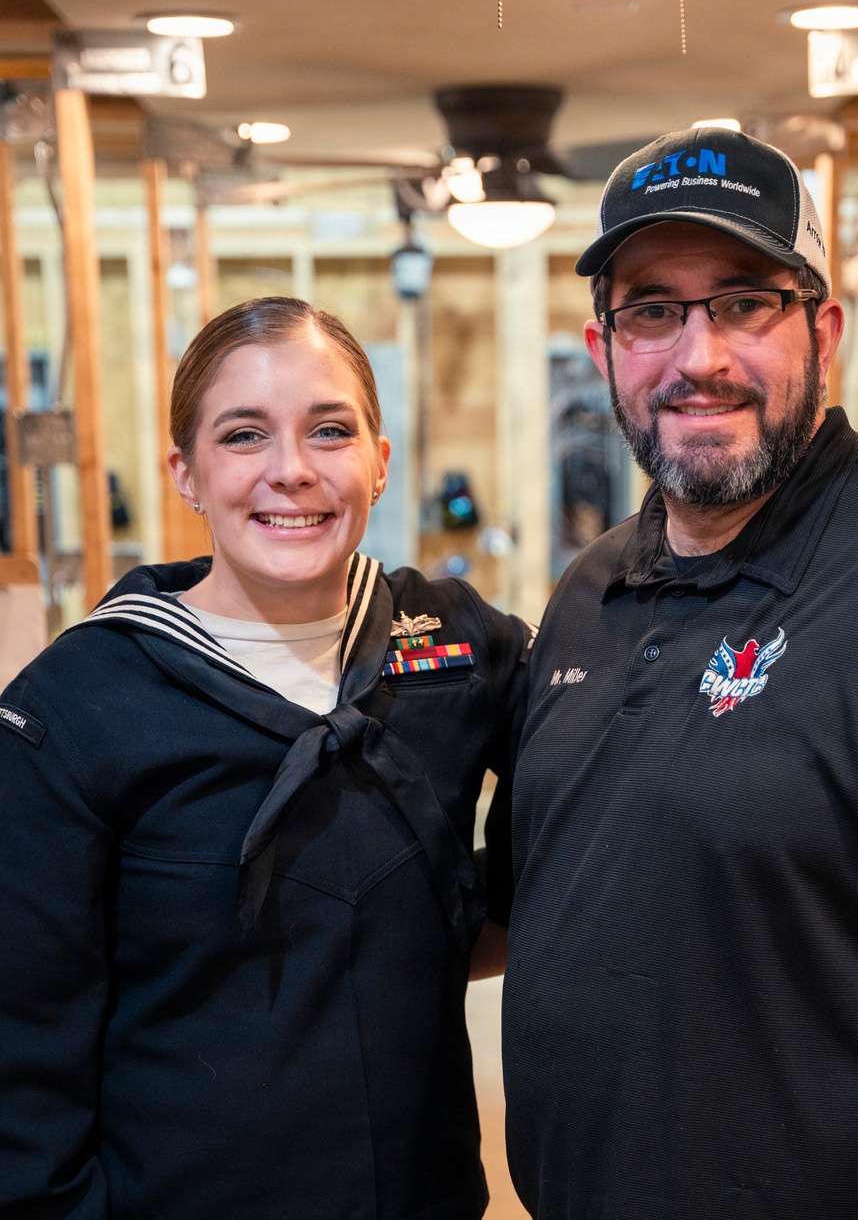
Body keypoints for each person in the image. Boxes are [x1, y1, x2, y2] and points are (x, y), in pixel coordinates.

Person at [497, 127, 858, 1220]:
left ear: (824, 330)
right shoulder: (590, 589)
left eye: (742, 302)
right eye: (652, 311)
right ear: (602, 347)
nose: (699, 358)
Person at [0, 297, 530, 1219]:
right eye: (244, 435)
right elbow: (23, 1048)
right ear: (186, 473)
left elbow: (600, 782)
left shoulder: (455, 643)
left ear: (379, 461)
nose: (292, 470)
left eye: (330, 430)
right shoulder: (77, 705)